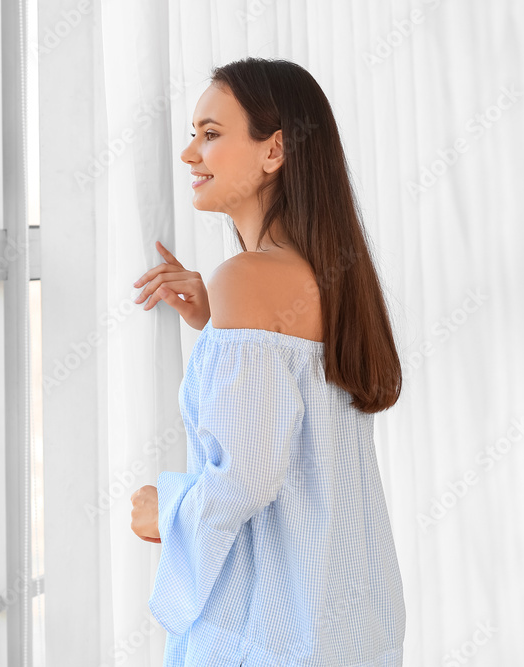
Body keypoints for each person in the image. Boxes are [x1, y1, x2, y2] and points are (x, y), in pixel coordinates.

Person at [129, 57, 406, 666]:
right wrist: (217, 323)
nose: (189, 154)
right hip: (348, 611)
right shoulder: (332, 275)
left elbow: (245, 478)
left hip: (270, 625)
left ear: (274, 150)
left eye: (210, 134)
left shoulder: (248, 278)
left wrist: (167, 514)